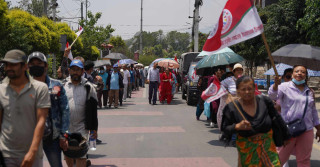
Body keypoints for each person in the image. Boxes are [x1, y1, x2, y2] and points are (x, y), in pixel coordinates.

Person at [221, 76, 290, 167]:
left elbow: (277, 118)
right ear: (238, 91)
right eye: (243, 89)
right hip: (247, 148)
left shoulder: (265, 101)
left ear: (254, 88)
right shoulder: (232, 108)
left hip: (268, 145)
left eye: (250, 89)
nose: (247, 92)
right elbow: (224, 128)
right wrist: (237, 126)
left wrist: (285, 136)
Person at [0, 50, 50, 167]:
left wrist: (32, 152)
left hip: (32, 154)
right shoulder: (1, 89)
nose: (8, 68)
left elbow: (41, 121)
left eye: (13, 64)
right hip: (6, 154)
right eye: (7, 64)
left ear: (25, 66)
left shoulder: (40, 88)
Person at [268, 65, 320, 166]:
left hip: (307, 130)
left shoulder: (310, 91)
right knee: (280, 157)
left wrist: (318, 128)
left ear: (306, 76)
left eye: (303, 72)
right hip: (287, 129)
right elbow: (272, 96)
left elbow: (313, 111)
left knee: (304, 159)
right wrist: (275, 85)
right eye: (297, 71)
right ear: (292, 74)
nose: (299, 73)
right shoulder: (284, 87)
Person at [27, 52, 69, 167]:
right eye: (32, 64)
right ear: (27, 67)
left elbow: (64, 110)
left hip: (52, 137)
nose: (35, 66)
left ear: (45, 65)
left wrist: (63, 135)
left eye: (39, 63)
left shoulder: (57, 86)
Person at [63, 60, 98, 167]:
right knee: (67, 153)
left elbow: (93, 110)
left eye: (78, 70)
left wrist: (94, 129)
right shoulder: (63, 86)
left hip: (82, 127)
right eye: (73, 70)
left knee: (81, 154)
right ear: (69, 71)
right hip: (66, 127)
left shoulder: (89, 87)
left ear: (82, 71)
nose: (75, 72)